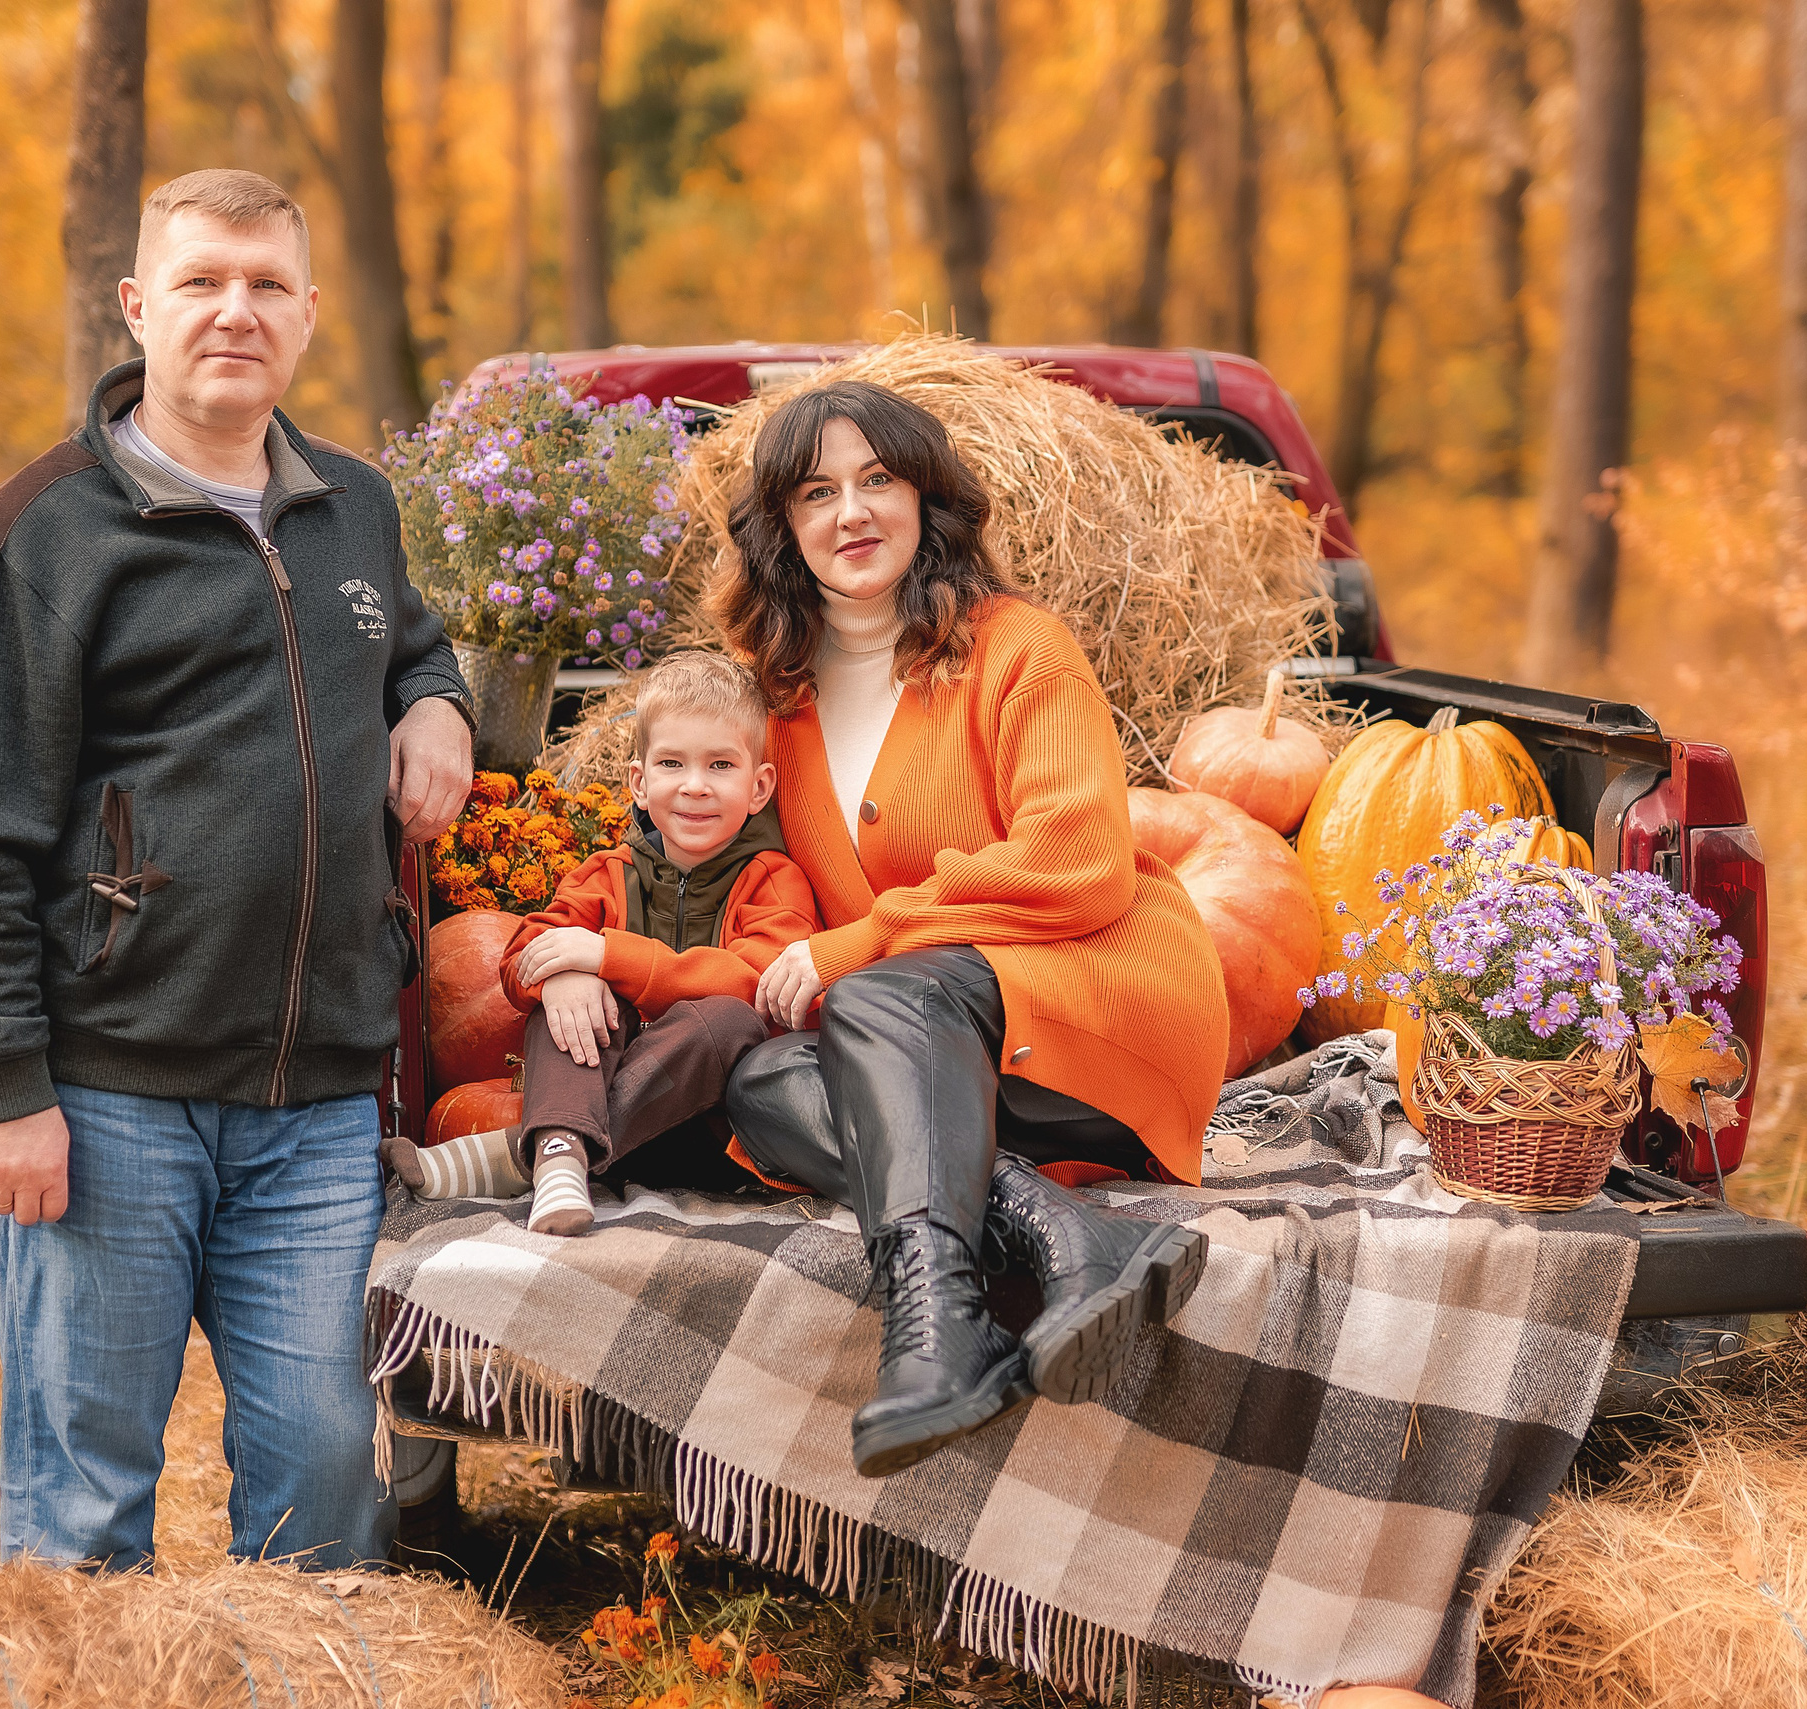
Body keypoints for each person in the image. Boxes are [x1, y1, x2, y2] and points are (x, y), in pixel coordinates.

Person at [0, 169, 474, 1571]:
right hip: (111, 1102)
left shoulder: (354, 503)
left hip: (319, 1107)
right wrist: (5, 1089)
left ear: (310, 313)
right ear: (138, 303)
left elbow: (408, 641)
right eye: (205, 280)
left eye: (268, 284)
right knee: (87, 1498)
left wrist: (441, 704)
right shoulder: (31, 538)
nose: (237, 311)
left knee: (331, 1484)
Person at [714, 380, 1229, 1479]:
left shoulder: (1015, 646)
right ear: (782, 527)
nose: (851, 512)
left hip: (1096, 997)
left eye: (877, 480)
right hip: (941, 1058)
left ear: (925, 499)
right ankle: (1061, 1233)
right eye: (817, 491)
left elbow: (1080, 863)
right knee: (761, 1087)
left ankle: (935, 1330)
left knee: (877, 995)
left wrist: (863, 945)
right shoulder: (785, 707)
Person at [387, 652, 819, 1234]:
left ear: (759, 786)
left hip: (712, 1136)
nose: (695, 786)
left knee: (725, 1022)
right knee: (575, 1000)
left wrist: (609, 957)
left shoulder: (774, 880)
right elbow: (523, 953)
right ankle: (561, 1155)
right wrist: (565, 977)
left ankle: (531, 1154)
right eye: (672, 763)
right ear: (639, 782)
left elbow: (762, 986)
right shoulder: (607, 873)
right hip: (615, 1139)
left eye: (720, 764)